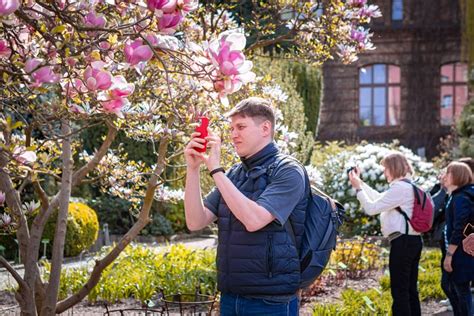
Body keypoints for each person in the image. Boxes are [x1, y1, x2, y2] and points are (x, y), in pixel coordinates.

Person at [183, 97, 307, 315]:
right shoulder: (233, 175)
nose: (233, 134)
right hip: (231, 298)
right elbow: (195, 221)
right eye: (231, 128)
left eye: (241, 127)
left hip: (271, 303)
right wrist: (192, 169)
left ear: (265, 128)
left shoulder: (288, 170)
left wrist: (216, 170)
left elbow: (254, 220)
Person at [348, 152, 422, 316]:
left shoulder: (400, 188)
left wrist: (358, 188)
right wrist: (359, 183)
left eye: (386, 169)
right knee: (409, 289)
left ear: (393, 168)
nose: (384, 172)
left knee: (400, 290)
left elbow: (372, 208)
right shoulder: (408, 186)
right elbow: (380, 199)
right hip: (412, 241)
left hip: (402, 243)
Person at [442, 161, 474, 316]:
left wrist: (449, 255)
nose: (444, 176)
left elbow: (459, 229)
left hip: (461, 252)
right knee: (452, 286)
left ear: (456, 176)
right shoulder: (459, 194)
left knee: (461, 290)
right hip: (461, 251)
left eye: (447, 173)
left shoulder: (461, 197)